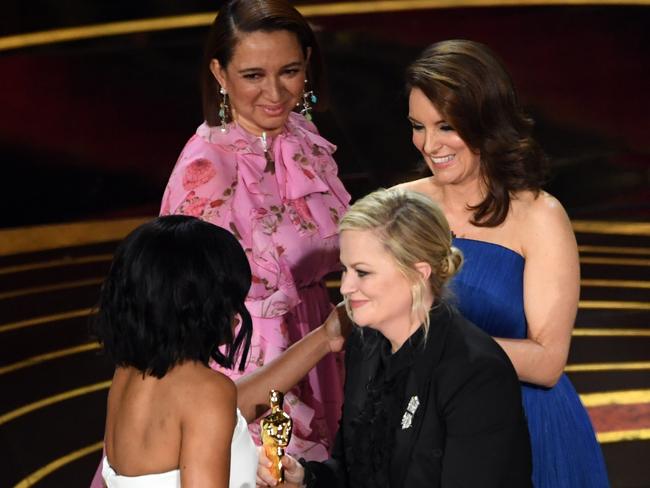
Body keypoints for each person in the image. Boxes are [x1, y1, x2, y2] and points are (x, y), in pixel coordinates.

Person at [398, 40, 608, 487]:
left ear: (486, 121)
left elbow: (548, 362)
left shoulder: (540, 216)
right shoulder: (398, 206)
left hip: (525, 426)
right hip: (423, 426)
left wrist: (438, 345)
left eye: (447, 126)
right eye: (419, 126)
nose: (430, 145)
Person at [158, 0, 350, 461]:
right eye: (253, 75)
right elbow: (180, 305)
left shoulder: (304, 138)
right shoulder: (206, 167)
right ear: (220, 75)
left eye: (288, 71)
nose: (275, 92)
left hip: (321, 344)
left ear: (307, 63)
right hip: (243, 365)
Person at [257, 188, 533, 487]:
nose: (346, 286)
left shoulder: (475, 372)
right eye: (345, 269)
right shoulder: (365, 344)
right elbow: (352, 471)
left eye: (362, 272)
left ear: (418, 274)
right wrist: (306, 478)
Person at [95, 215, 348, 487]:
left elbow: (222, 411)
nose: (238, 315)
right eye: (231, 298)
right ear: (199, 305)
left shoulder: (128, 373)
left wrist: (325, 336)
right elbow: (211, 406)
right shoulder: (206, 393)